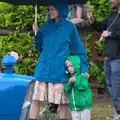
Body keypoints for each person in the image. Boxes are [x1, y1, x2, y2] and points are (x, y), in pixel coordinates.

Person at [29, 3, 88, 120]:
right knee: (35, 99)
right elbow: (39, 48)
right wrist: (37, 34)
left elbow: (79, 51)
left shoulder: (69, 27)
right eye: (49, 9)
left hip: (60, 71)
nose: (49, 12)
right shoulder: (45, 26)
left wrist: (84, 70)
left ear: (61, 10)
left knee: (63, 102)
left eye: (52, 9)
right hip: (43, 69)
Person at [87, 0, 120, 119]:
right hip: (108, 58)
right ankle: (118, 112)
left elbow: (111, 32)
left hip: (118, 59)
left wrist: (110, 33)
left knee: (117, 88)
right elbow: (101, 27)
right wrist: (92, 20)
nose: (110, 1)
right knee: (110, 85)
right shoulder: (112, 15)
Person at [64, 55, 92, 120]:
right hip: (74, 107)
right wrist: (69, 83)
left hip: (84, 106)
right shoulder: (69, 77)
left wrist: (75, 81)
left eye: (71, 66)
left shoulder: (83, 76)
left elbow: (83, 87)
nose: (70, 68)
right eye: (68, 67)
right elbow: (66, 89)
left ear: (77, 65)